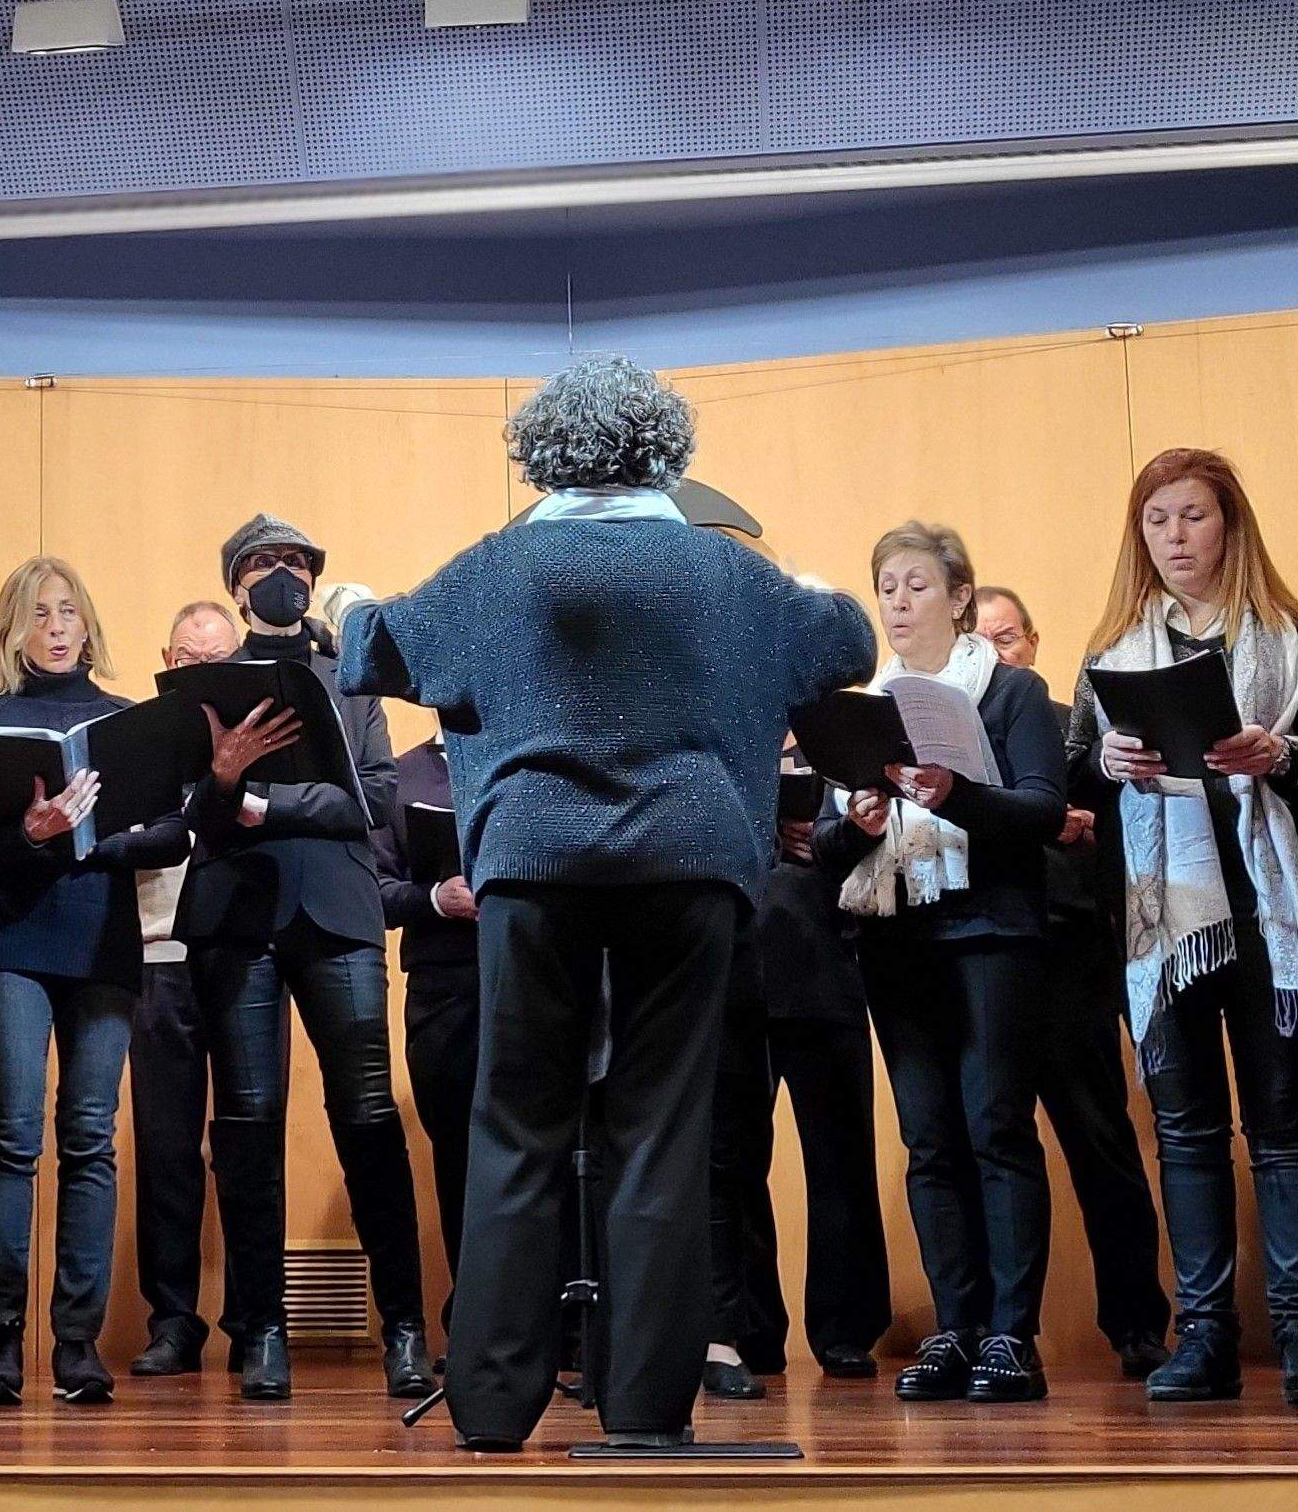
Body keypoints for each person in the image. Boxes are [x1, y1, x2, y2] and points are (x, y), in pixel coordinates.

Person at [337, 353, 876, 1450]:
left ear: (541, 451)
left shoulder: (493, 569)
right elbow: (849, 643)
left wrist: (353, 604)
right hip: (689, 863)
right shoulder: (726, 573)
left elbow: (367, 650)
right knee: (662, 1128)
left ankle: (491, 1399)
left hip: (535, 865)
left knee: (515, 1122)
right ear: (662, 449)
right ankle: (643, 1401)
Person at [1067, 449, 1298, 1406]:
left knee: (1280, 1122)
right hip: (1165, 914)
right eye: (1158, 521)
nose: (1175, 537)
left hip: (1269, 905)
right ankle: (1205, 1333)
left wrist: (1280, 750)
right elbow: (1073, 781)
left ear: (1230, 525)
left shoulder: (1286, 632)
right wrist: (1105, 758)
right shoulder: (1114, 645)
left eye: (1193, 517)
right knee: (1185, 1130)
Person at [177, 515, 428, 1402]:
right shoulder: (208, 679)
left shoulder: (351, 673)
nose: (283, 574)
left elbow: (377, 795)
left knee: (366, 1115)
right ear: (236, 581)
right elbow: (190, 809)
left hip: (337, 907)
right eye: (263, 564)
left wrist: (261, 801)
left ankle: (405, 1327)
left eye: (297, 563)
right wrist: (221, 782)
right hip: (237, 916)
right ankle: (263, 1330)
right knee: (247, 1127)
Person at [818, 525, 1066, 1403]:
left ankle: (1012, 1332)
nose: (896, 600)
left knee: (995, 1126)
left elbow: (1042, 810)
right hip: (899, 938)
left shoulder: (1010, 693)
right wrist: (858, 821)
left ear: (961, 596)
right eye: (886, 585)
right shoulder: (862, 706)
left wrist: (958, 795)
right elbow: (821, 840)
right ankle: (956, 1327)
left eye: (916, 584)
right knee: (929, 1140)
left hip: (990, 932)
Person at [0, 557, 192, 1405]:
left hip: (102, 943)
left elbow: (169, 836)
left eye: (68, 612)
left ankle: (77, 1343)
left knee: (90, 1140)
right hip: (14, 942)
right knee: (12, 1137)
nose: (55, 626)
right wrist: (30, 828)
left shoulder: (125, 719)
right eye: (37, 613)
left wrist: (88, 834)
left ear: (88, 625)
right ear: (13, 629)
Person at [972, 584, 1170, 1378]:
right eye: (979, 641)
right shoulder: (949, 733)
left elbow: (1116, 832)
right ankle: (995, 1329)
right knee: (987, 1143)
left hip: (1066, 956)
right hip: (982, 962)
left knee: (1101, 1141)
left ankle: (1137, 1323)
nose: (996, 654)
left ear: (1034, 641)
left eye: (1008, 638)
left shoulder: (1069, 730)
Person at [744, 739, 893, 1382]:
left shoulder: (843, 733)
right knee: (735, 1163)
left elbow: (883, 833)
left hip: (826, 966)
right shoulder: (728, 726)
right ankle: (748, 1332)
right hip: (738, 974)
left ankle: (844, 1328)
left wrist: (844, 830)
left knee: (840, 1160)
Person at [126, 601, 248, 1379]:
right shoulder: (138, 738)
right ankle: (174, 1317)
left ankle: (253, 1317)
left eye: (219, 659)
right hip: (157, 951)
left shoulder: (274, 732)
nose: (203, 671)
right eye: (189, 658)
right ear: (165, 659)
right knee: (166, 1145)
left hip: (243, 951)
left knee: (244, 1141)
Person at [373, 726, 481, 1335]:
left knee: (548, 1148)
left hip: (533, 975)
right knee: (459, 1151)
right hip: (444, 986)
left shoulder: (525, 754)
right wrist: (437, 898)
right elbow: (376, 889)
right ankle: (474, 1317)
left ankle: (562, 1325)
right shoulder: (404, 775)